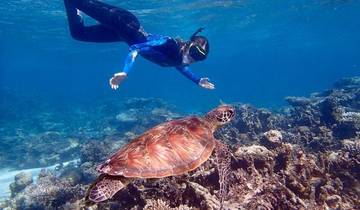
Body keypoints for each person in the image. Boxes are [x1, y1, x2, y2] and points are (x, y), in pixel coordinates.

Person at [64, 0, 215, 90]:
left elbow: (181, 67)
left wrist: (197, 80)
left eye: (199, 58)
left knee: (78, 34)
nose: (193, 58)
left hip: (121, 34)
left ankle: (74, 8)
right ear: (187, 45)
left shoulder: (178, 58)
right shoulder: (169, 44)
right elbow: (135, 48)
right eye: (194, 52)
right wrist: (125, 72)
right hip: (123, 22)